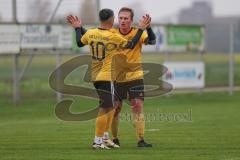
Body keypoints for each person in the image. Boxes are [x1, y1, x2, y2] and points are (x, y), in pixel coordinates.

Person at [67, 8, 150, 149]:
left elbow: (80, 43)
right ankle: (97, 141)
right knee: (105, 109)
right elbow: (130, 45)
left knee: (110, 108)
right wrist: (141, 29)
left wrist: (77, 28)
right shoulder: (112, 36)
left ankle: (105, 139)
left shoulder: (92, 32)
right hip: (107, 76)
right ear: (112, 20)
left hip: (95, 76)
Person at [111, 7, 156, 147]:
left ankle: (140, 140)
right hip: (117, 77)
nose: (122, 21)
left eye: (126, 18)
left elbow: (152, 41)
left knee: (137, 106)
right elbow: (129, 46)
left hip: (135, 76)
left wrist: (148, 28)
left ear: (131, 20)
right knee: (116, 109)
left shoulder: (138, 32)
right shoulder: (112, 33)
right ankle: (114, 139)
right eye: (121, 18)